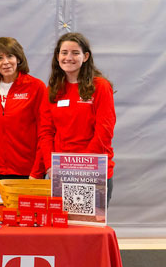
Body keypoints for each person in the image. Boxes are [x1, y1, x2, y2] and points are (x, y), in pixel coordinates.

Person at [38, 32, 116, 204]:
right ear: (57, 56)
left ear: (85, 56)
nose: (69, 57)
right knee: (62, 227)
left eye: (75, 53)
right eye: (64, 52)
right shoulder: (53, 88)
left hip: (93, 170)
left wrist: (81, 166)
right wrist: (51, 165)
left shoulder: (100, 87)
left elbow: (104, 131)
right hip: (60, 171)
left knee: (88, 228)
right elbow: (45, 132)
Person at [0, 37, 46, 190]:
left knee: (28, 214)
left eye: (10, 56)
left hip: (29, 172)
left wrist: (37, 171)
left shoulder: (36, 87)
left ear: (18, 58)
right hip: (0, 171)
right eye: (0, 58)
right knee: (2, 213)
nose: (5, 62)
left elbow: (45, 132)